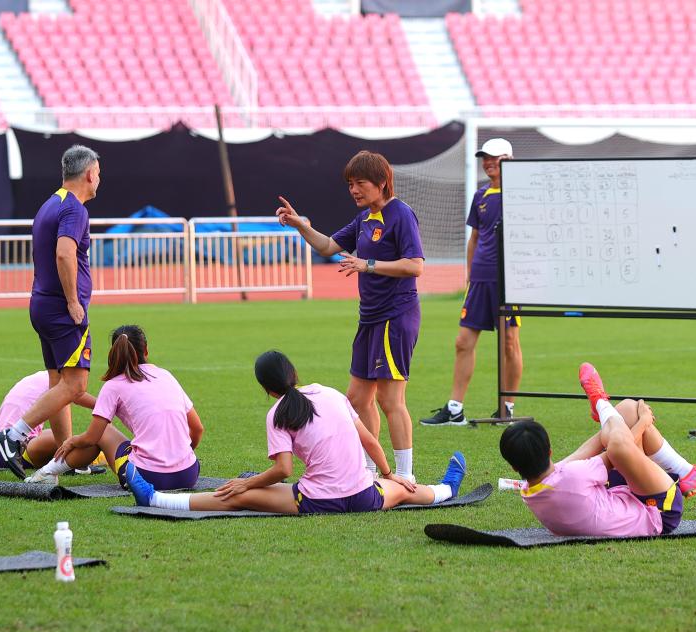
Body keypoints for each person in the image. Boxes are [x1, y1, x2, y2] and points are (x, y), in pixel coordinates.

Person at [124, 350, 466, 515]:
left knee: (236, 496)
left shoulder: (277, 412)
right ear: (294, 373)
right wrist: (390, 476)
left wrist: (247, 484)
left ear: (266, 388)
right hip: (365, 497)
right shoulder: (330, 393)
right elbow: (370, 442)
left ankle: (156, 499)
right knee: (404, 491)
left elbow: (283, 470)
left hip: (317, 501)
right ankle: (446, 489)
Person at [276, 151, 424, 482]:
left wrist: (367, 265)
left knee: (390, 399)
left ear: (381, 183)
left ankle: (405, 476)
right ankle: (368, 471)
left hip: (395, 317)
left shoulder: (401, 214)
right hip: (369, 318)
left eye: (360, 183)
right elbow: (328, 247)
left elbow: (415, 266)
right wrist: (301, 225)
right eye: (350, 184)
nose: (353, 190)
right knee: (357, 400)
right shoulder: (364, 219)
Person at [498, 363, 696, 538]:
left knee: (624, 414)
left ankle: (686, 471)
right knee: (628, 416)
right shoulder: (573, 476)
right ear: (549, 451)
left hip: (622, 497)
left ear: (514, 467)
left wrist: (612, 422)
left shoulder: (530, 491)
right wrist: (644, 422)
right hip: (659, 511)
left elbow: (584, 453)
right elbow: (616, 450)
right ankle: (601, 401)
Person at [0, 145, 100, 479]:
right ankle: (13, 436)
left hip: (42, 304)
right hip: (61, 309)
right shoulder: (74, 209)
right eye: (99, 172)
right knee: (76, 385)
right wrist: (73, 302)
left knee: (58, 384)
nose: (99, 179)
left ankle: (65, 459)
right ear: (89, 174)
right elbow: (64, 254)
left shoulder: (50, 204)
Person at [26, 325, 205, 489]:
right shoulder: (166, 375)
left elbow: (91, 438)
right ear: (146, 350)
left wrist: (72, 441)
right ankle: (50, 472)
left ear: (114, 352)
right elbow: (197, 429)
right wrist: (180, 457)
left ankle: (46, 473)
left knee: (103, 431)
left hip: (147, 478)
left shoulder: (113, 386)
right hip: (188, 475)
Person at [422, 138, 522, 426]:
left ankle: (507, 408)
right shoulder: (480, 196)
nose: (488, 162)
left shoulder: (520, 193)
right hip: (479, 279)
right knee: (463, 342)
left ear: (509, 160)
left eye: (494, 157)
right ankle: (455, 409)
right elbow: (475, 238)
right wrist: (469, 272)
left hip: (508, 281)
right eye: (485, 158)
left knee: (509, 343)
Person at [0, 370, 97, 473]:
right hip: (16, 449)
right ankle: (73, 463)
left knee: (66, 437)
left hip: (2, 449)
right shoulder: (61, 384)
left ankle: (76, 460)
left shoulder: (48, 378)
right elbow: (77, 394)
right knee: (78, 441)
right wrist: (105, 408)